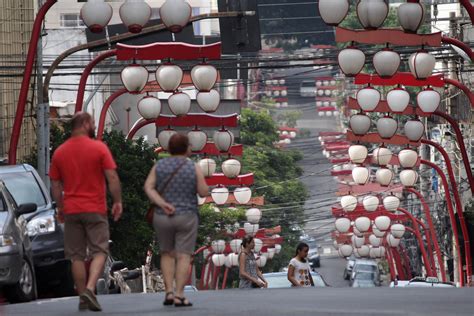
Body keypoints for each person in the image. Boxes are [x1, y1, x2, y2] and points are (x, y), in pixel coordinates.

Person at [50, 112, 122, 312]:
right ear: (84, 123)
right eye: (91, 122)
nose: (93, 126)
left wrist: (61, 207)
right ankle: (90, 289)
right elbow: (113, 177)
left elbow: (55, 184)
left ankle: (82, 295)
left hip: (72, 210)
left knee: (76, 256)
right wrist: (117, 201)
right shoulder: (98, 148)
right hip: (95, 208)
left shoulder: (60, 152)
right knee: (100, 250)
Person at [144, 133, 208, 307]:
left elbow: (148, 187)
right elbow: (203, 192)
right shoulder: (193, 167)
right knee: (183, 255)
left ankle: (169, 292)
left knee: (167, 253)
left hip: (163, 216)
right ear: (187, 148)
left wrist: (162, 203)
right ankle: (180, 294)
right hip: (186, 216)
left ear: (170, 148)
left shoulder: (159, 165)